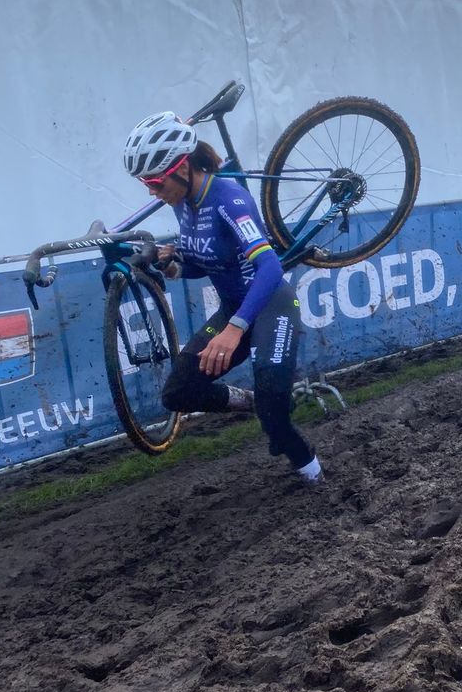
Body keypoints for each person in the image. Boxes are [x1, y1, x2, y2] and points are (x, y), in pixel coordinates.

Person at [123, 112, 324, 484]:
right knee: (178, 392)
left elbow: (269, 269)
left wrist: (233, 330)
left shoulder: (229, 199)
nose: (152, 191)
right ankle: (250, 401)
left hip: (271, 307)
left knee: (276, 418)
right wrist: (176, 266)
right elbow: (211, 262)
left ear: (182, 167)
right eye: (145, 183)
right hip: (238, 309)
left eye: (155, 181)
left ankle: (314, 477)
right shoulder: (184, 203)